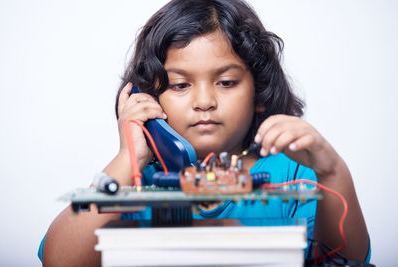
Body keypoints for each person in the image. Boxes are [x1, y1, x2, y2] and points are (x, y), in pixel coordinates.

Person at [39, 0, 370, 266]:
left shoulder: (295, 174)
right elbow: (59, 260)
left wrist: (332, 171)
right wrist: (130, 157)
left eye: (226, 83)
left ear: (259, 93)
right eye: (180, 85)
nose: (204, 102)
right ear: (149, 99)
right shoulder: (135, 181)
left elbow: (345, 259)